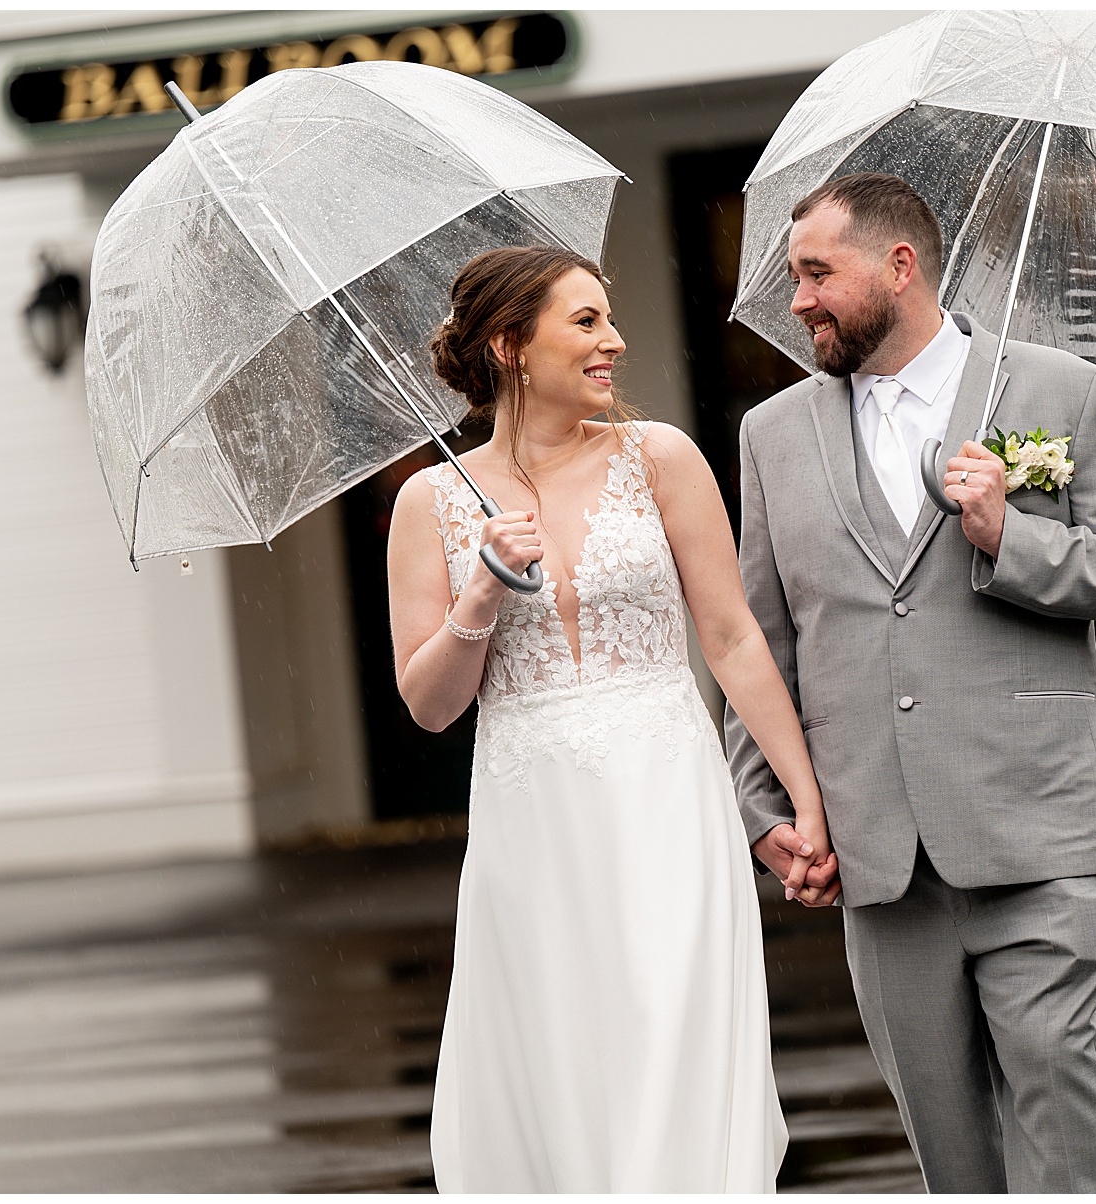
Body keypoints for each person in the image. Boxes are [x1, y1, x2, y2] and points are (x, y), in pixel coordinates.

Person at [726, 172, 1096, 1193]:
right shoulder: (772, 435)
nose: (796, 300)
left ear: (900, 265)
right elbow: (759, 641)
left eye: (814, 274)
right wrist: (763, 808)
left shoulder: (1060, 391)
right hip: (879, 857)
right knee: (952, 1151)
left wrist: (1008, 534)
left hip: (1039, 829)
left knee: (1058, 1087)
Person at [386, 245, 833, 1192]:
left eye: (609, 317)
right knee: (562, 1054)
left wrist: (804, 797)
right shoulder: (431, 503)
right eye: (584, 322)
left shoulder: (660, 456)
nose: (614, 341)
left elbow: (733, 637)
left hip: (668, 794)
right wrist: (480, 597)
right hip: (532, 817)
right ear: (511, 344)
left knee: (675, 1030)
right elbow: (429, 707)